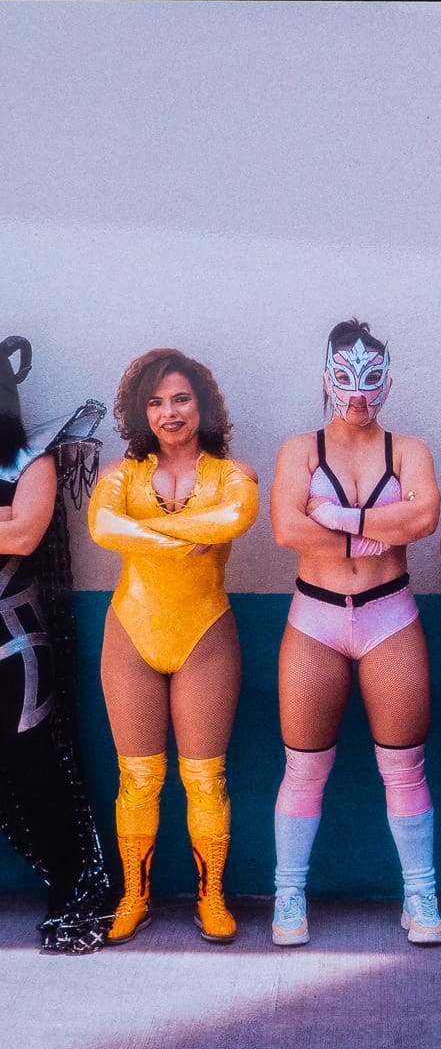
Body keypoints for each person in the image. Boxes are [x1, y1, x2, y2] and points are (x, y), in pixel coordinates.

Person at [269, 321, 441, 947]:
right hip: (314, 616)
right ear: (327, 379)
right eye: (346, 378)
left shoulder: (409, 450)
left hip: (388, 614)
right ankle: (288, 892)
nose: (359, 393)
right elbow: (286, 529)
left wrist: (336, 516)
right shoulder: (299, 449)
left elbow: (424, 518)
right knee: (303, 768)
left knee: (405, 767)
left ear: (389, 383)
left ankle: (420, 891)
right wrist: (376, 530)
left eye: (372, 379)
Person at [88, 348, 260, 944]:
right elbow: (102, 527)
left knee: (205, 778)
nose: (170, 412)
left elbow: (235, 518)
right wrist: (186, 532)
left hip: (205, 634)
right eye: (156, 402)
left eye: (181, 398)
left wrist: (143, 532)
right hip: (131, 633)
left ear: (202, 404)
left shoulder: (231, 475)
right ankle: (134, 897)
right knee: (137, 778)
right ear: (141, 413)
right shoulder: (122, 476)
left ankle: (211, 897)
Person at [0, 336, 114, 953]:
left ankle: (72, 890)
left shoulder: (31, 459)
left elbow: (24, 533)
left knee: (35, 772)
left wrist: (10, 521)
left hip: (14, 647)